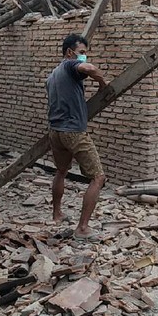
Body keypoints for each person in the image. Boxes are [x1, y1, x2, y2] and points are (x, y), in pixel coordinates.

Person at [46, 34, 107, 241]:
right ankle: (82, 228)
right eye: (82, 52)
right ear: (70, 53)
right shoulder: (69, 65)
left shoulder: (52, 75)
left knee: (61, 171)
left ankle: (57, 214)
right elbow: (88, 69)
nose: (84, 56)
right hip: (73, 131)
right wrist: (102, 82)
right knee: (98, 177)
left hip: (55, 132)